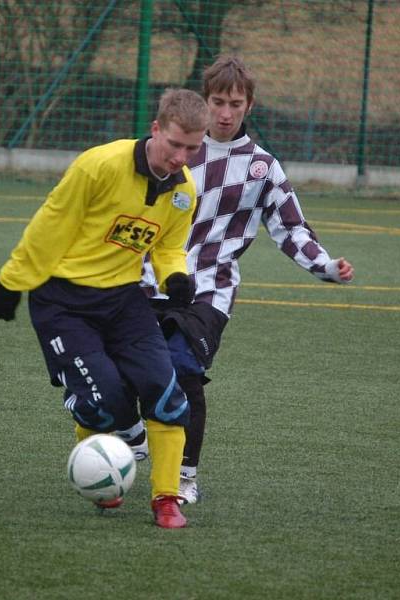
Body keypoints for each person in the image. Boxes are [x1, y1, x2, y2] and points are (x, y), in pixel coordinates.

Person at [119, 56, 355, 505]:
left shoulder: (262, 168)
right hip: (147, 280)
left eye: (235, 103)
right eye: (217, 102)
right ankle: (135, 437)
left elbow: (291, 229)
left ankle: (185, 477)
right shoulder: (175, 150)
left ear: (250, 106)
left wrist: (325, 266)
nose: (225, 113)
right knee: (129, 370)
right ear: (203, 102)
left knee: (184, 368)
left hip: (210, 288)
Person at [0, 88, 209, 529]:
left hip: (124, 300)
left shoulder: (184, 192)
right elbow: (52, 224)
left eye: (193, 148)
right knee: (105, 402)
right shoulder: (100, 165)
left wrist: (174, 276)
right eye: (175, 144)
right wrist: (13, 282)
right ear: (156, 129)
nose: (181, 157)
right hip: (62, 301)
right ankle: (98, 469)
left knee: (166, 394)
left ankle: (166, 499)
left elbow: (167, 246)